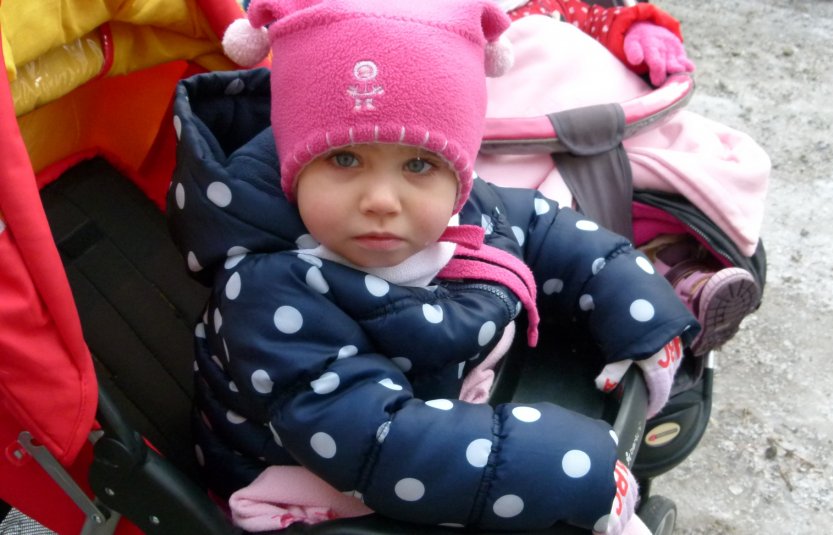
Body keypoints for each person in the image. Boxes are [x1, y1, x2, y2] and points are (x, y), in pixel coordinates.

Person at [170, 0, 697, 533]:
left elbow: (539, 227)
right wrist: (571, 471)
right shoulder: (267, 294)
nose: (381, 199)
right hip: (318, 467)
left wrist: (637, 308)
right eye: (344, 158)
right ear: (293, 161)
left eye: (418, 164)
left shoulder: (457, 208)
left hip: (438, 406)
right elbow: (378, 442)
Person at [476, 14, 769, 356]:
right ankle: (660, 298)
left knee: (664, 184)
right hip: (510, 129)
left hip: (605, 116)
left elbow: (597, 15)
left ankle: (687, 280)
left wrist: (635, 27)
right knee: (527, 220)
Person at [500, 0, 695, 87]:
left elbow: (595, 23)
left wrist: (635, 29)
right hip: (504, 136)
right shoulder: (481, 25)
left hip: (581, 116)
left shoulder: (544, 5)